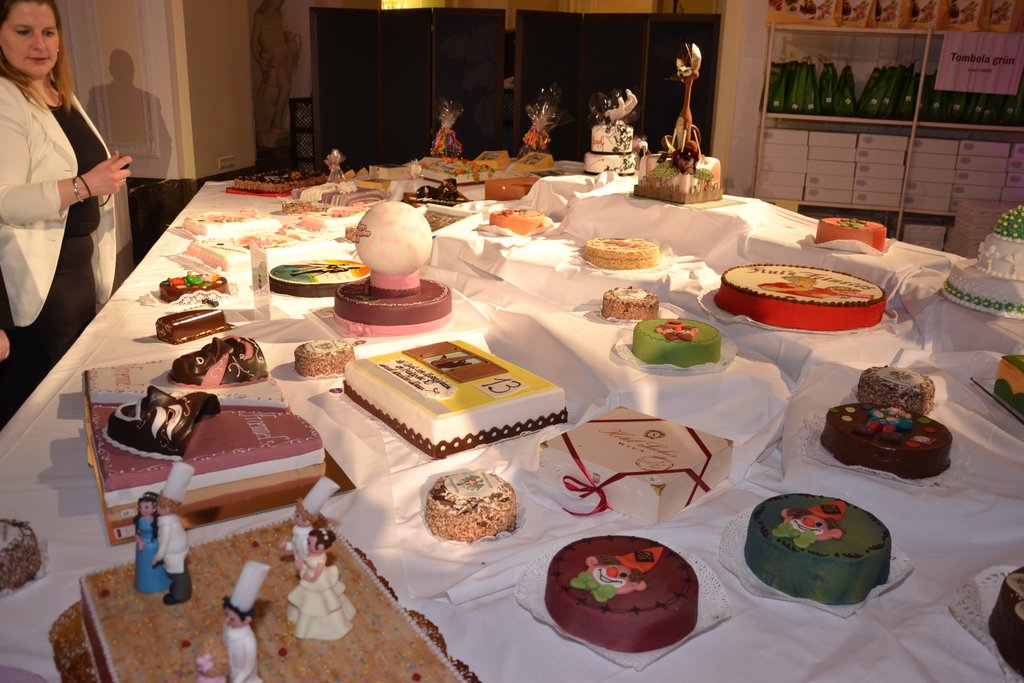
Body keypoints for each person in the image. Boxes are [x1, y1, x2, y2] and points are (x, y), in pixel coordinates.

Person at [0, 0, 131, 429]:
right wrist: (85, 186)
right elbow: (4, 198)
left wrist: (105, 177)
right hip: (42, 281)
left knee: (77, 400)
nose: (39, 44)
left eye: (48, 32)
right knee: (45, 413)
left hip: (79, 270)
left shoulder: (62, 93)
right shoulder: (5, 97)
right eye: (23, 32)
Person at [285, 528, 357, 641]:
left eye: (310, 543)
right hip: (309, 574)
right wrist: (301, 565)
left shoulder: (320, 561)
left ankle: (318, 627)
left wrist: (307, 577)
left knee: (319, 603)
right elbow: (306, 562)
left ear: (320, 547)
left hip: (317, 581)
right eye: (308, 541)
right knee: (306, 600)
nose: (308, 544)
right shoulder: (310, 552)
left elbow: (316, 575)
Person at [133, 491, 171, 594]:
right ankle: (145, 583)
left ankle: (162, 581)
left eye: (146, 507)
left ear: (154, 508)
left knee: (158, 564)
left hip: (155, 544)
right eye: (140, 507)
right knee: (145, 566)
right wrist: (139, 541)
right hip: (143, 547)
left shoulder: (157, 521)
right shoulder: (138, 520)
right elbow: (136, 534)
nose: (142, 510)